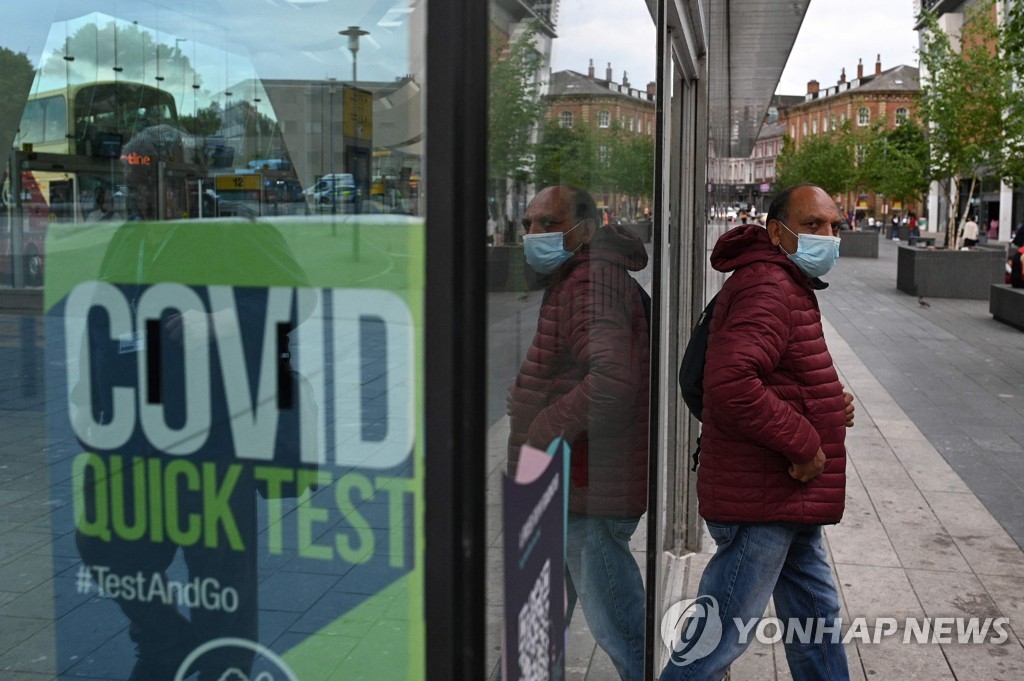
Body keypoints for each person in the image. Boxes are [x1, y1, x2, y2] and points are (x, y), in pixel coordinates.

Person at [662, 183, 856, 681]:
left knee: (815, 621)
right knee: (717, 639)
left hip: (784, 498)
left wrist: (828, 406)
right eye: (812, 225)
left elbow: (774, 375)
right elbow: (732, 383)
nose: (827, 237)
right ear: (776, 232)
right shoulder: (769, 285)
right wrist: (807, 443)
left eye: (834, 227)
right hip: (762, 500)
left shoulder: (784, 282)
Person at [507, 184, 650, 681]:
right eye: (528, 224)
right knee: (536, 619)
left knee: (619, 626)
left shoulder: (589, 283)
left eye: (548, 223)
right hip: (567, 481)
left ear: (584, 230)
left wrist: (543, 426)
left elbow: (611, 380)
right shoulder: (578, 278)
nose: (533, 234)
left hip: (585, 484)